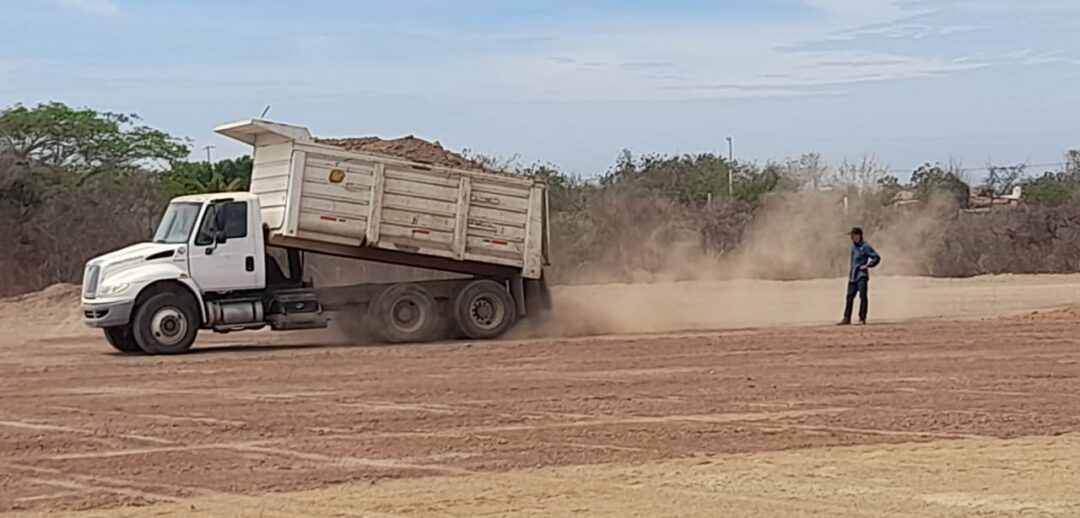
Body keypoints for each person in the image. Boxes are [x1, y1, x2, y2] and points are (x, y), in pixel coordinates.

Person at [839, 227, 880, 325]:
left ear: (858, 236)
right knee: (849, 297)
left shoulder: (865, 247)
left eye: (853, 236)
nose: (852, 238)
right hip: (853, 276)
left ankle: (862, 318)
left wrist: (867, 265)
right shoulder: (854, 247)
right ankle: (846, 318)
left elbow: (876, 257)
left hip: (861, 276)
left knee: (863, 297)